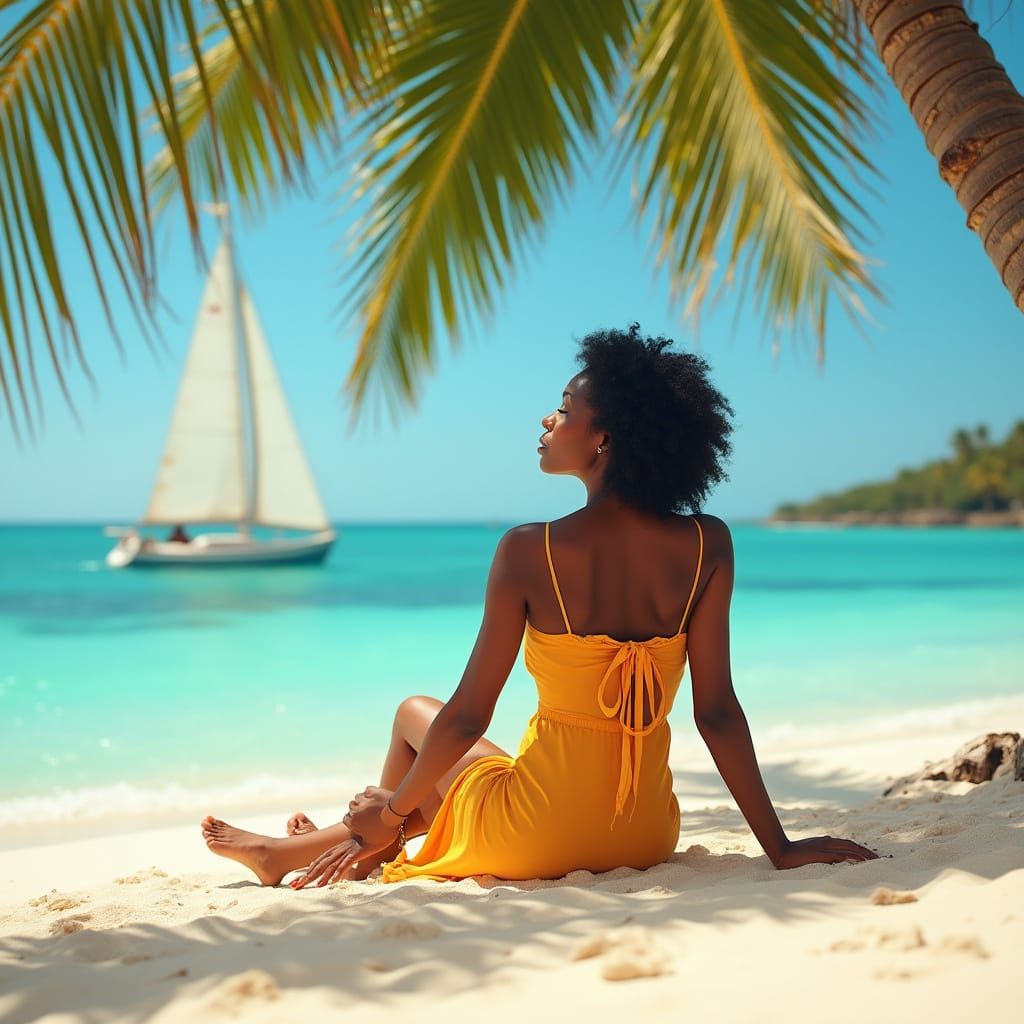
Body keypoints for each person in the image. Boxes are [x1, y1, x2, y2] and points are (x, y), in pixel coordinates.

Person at [200, 323, 879, 887]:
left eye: (563, 407)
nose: (547, 419)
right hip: (645, 833)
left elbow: (467, 716)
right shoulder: (709, 543)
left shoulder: (531, 549)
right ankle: (328, 845)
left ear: (604, 438)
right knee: (454, 773)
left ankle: (366, 842)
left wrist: (393, 807)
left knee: (416, 713)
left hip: (541, 831)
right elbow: (718, 713)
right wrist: (781, 847)